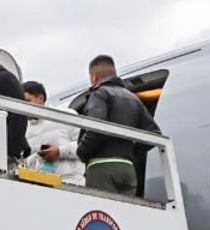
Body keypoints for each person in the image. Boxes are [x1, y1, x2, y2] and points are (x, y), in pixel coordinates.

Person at [76, 55, 162, 196]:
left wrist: (81, 152)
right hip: (127, 168)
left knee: (103, 213)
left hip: (102, 166)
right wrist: (131, 152)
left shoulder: (99, 94)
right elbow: (154, 132)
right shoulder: (133, 98)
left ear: (94, 77)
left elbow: (96, 126)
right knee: (124, 215)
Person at [21, 80, 85, 186]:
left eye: (27, 101)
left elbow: (85, 146)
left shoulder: (65, 115)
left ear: (40, 98)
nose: (23, 107)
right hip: (40, 186)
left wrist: (59, 151)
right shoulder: (24, 129)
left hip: (71, 183)